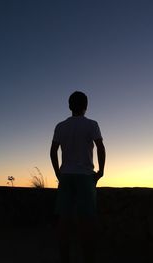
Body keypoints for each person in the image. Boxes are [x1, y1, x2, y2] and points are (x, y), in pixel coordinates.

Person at [50, 91, 106, 263]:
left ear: (69, 105)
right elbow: (100, 147)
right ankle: (88, 258)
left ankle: (64, 258)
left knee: (64, 220)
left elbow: (53, 151)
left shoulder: (60, 126)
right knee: (87, 220)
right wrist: (101, 171)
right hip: (85, 177)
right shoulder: (92, 125)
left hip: (66, 176)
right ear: (86, 106)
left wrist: (58, 173)